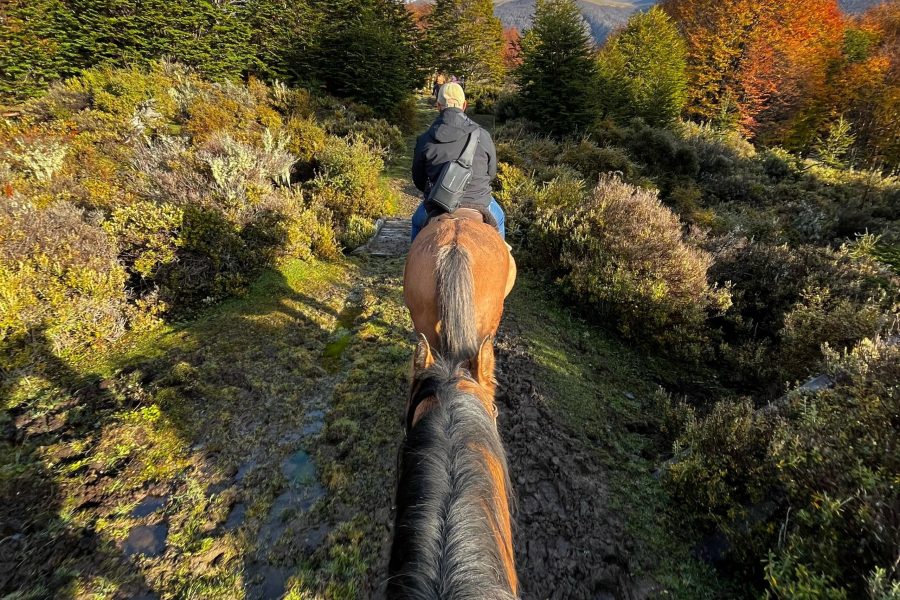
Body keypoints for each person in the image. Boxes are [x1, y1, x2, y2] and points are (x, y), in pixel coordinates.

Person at [411, 82, 505, 242]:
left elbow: (419, 180)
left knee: (416, 221)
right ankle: (506, 262)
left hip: (438, 205)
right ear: (464, 105)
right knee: (500, 218)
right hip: (479, 202)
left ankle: (411, 262)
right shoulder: (482, 135)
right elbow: (491, 174)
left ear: (438, 106)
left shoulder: (425, 139)